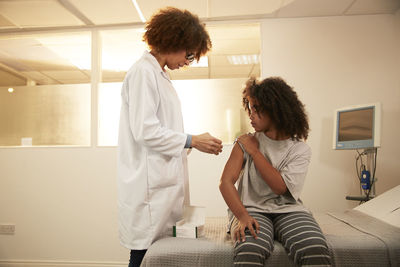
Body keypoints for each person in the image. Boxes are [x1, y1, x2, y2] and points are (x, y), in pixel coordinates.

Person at [117, 7, 223, 267]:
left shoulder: (159, 75)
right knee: (143, 256)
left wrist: (191, 143)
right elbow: (145, 130)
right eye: (189, 55)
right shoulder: (143, 72)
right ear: (173, 41)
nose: (187, 62)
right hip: (149, 189)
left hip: (161, 183)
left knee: (158, 256)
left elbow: (164, 129)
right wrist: (192, 140)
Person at [219, 77, 332, 266]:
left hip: (289, 211)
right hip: (251, 210)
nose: (251, 115)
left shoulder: (299, 150)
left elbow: (279, 187)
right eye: (250, 108)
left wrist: (255, 152)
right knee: (249, 250)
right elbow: (226, 182)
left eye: (257, 108)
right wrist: (242, 216)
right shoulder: (244, 142)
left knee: (314, 248)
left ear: (276, 109)